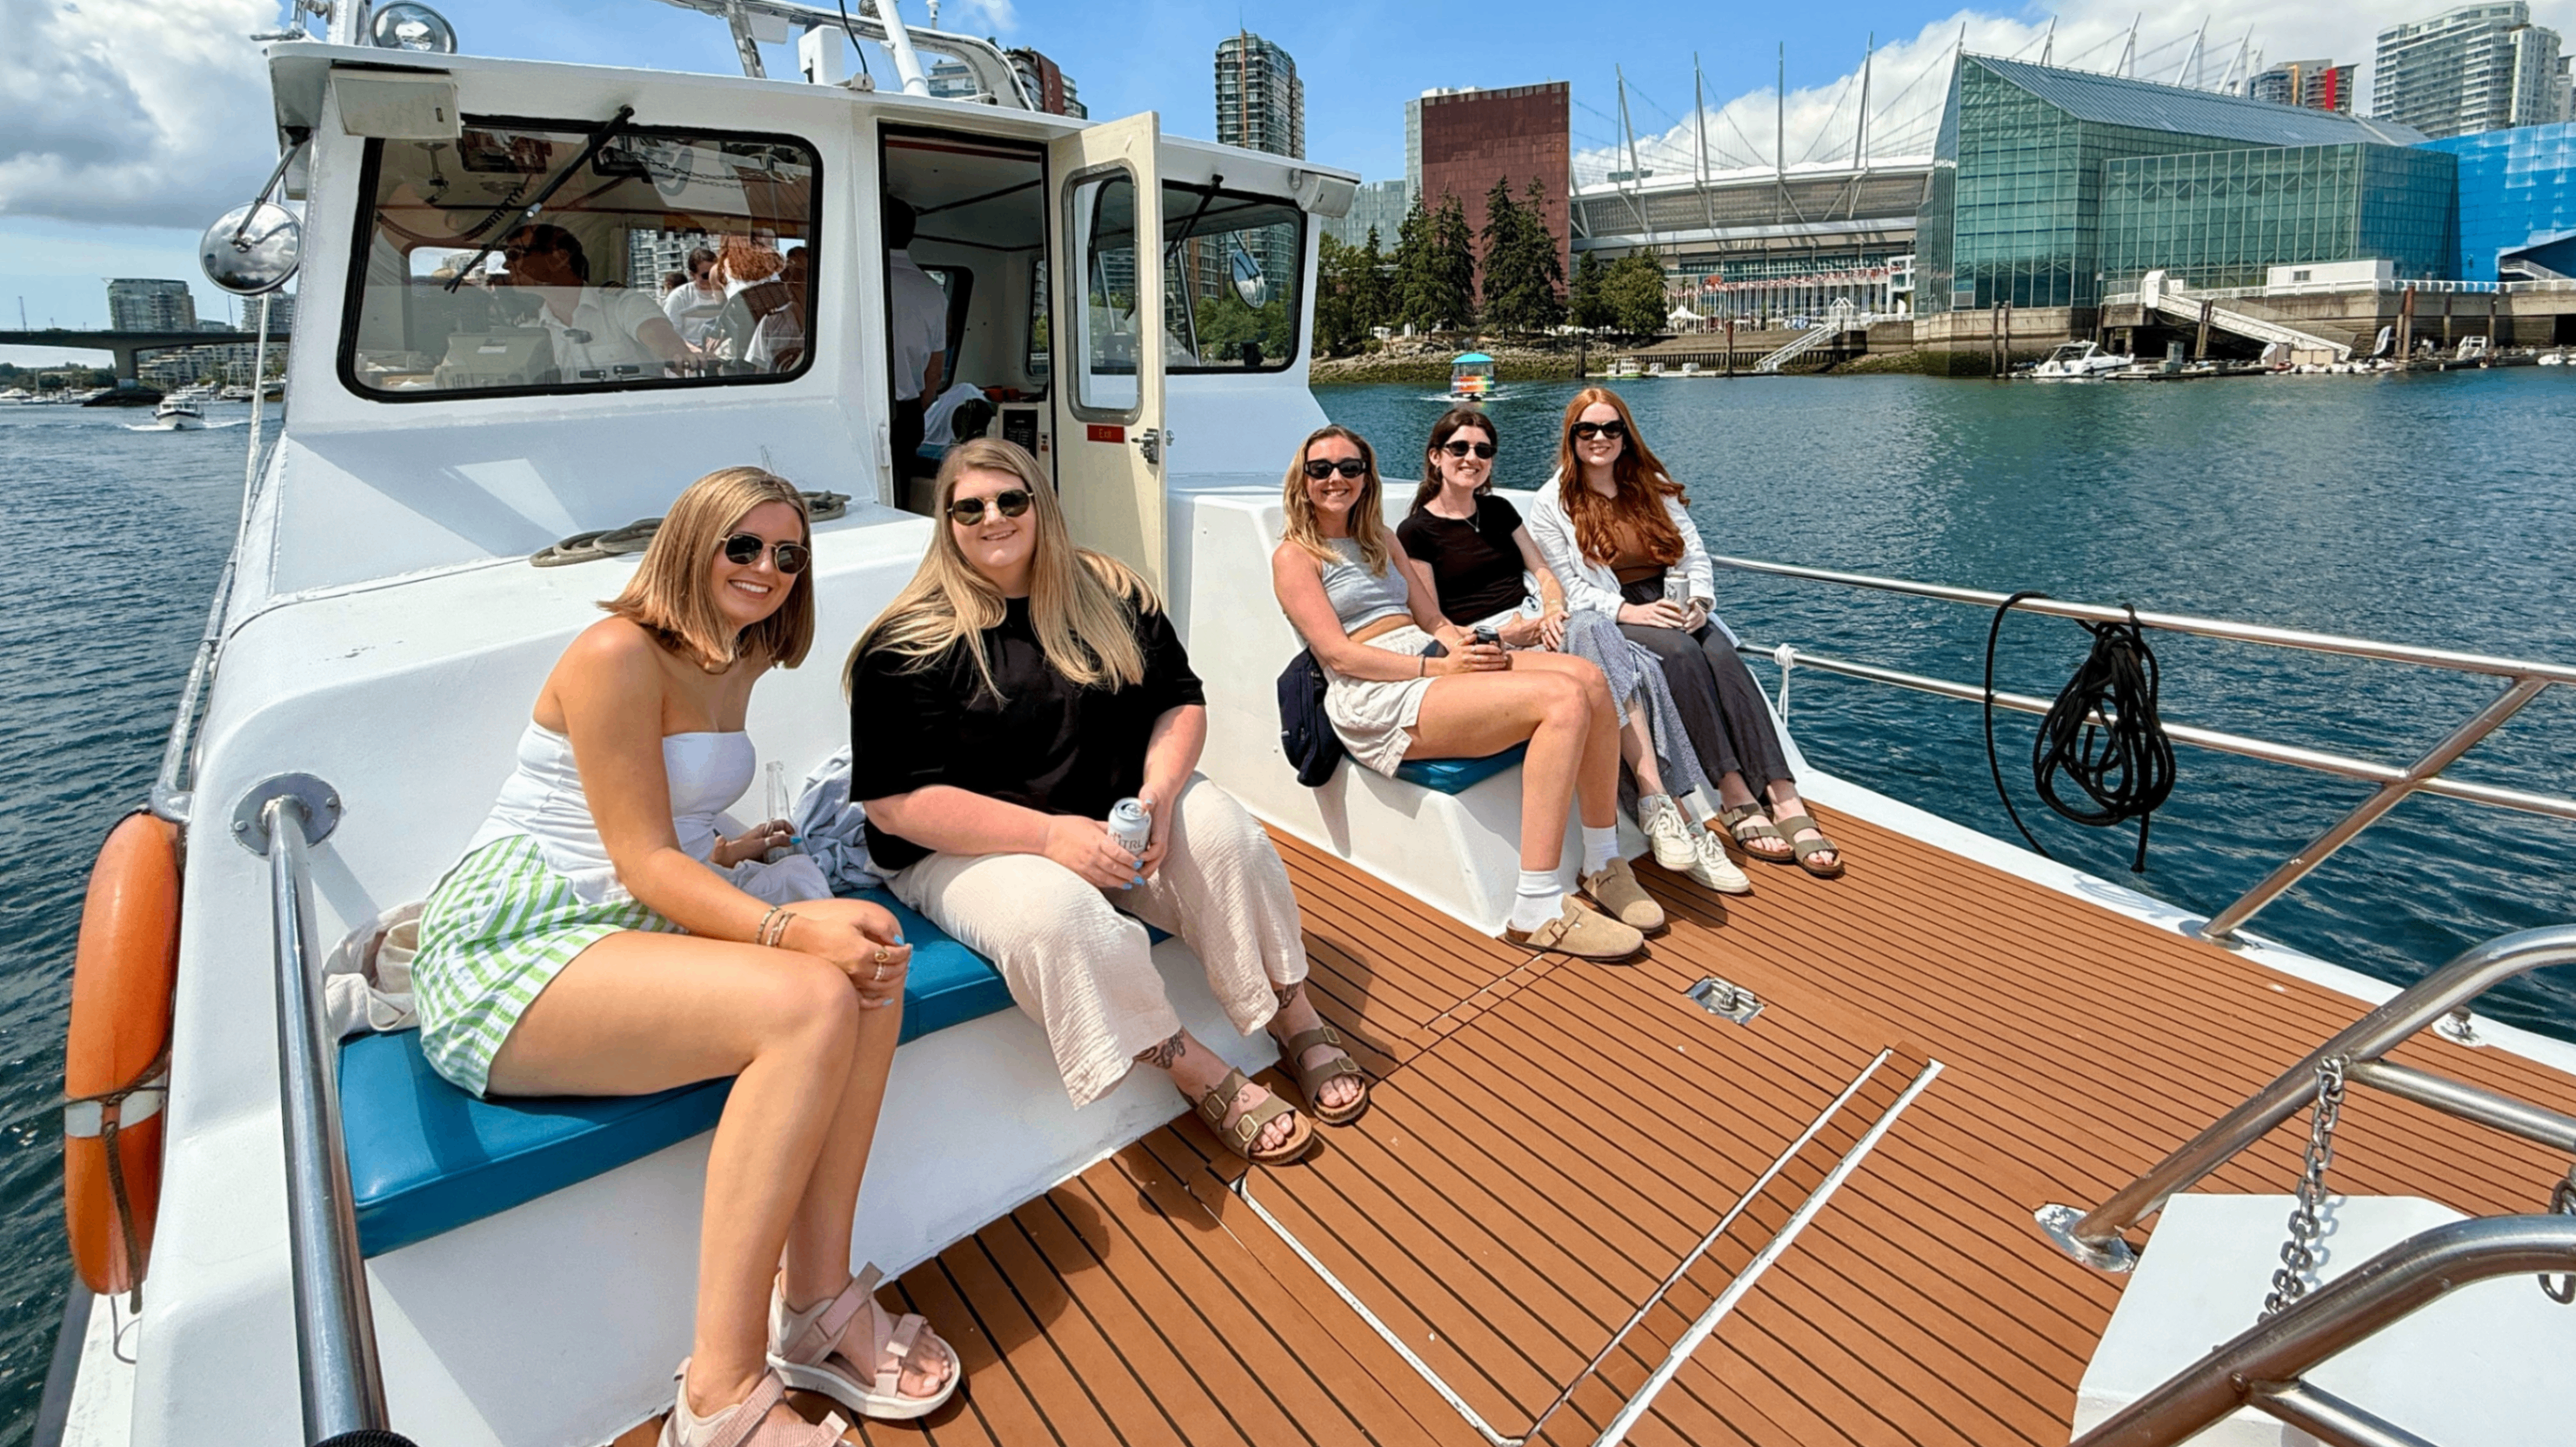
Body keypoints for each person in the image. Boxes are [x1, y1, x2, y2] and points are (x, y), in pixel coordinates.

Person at [406, 467, 959, 1446]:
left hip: (631, 921)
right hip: (521, 937)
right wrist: (790, 928)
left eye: (787, 553)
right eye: (741, 545)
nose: (766, 568)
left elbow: (674, 823)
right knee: (809, 1000)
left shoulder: (737, 654)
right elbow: (636, 855)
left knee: (874, 971)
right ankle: (716, 1392)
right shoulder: (617, 651)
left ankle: (816, 1298)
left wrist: (738, 850)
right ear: (689, 545)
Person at [847, 438, 1364, 1165]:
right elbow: (897, 805)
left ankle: (1290, 1010)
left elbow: (1180, 703)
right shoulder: (908, 645)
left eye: (1010, 500)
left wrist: (1155, 796)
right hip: (964, 844)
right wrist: (1054, 840)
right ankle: (1193, 1068)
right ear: (948, 520)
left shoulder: (1113, 594)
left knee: (1227, 837)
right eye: (970, 508)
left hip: (1120, 807)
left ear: (1041, 505)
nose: (992, 517)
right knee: (1057, 915)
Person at [1271, 425, 1658, 958]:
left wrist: (1466, 649)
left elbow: (1431, 617)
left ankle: (1602, 862)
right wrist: (1440, 673)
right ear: (1304, 478)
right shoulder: (1295, 556)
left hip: (1430, 660)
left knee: (1587, 679)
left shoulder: (1381, 538)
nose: (1336, 479)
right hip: (1376, 692)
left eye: (1350, 468)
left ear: (1367, 476)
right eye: (1322, 469)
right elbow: (1338, 655)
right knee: (1561, 702)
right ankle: (1535, 905)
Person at [1398, 410, 1746, 896]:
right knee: (1625, 662)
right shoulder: (1416, 532)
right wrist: (1510, 636)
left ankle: (1667, 810)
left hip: (1544, 621)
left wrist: (1554, 609)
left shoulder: (1498, 511)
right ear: (1436, 457)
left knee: (1615, 649)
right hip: (1490, 642)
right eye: (1459, 449)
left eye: (1482, 450)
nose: (1471, 458)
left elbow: (1544, 573)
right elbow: (1436, 622)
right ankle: (1673, 808)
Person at [1525, 389, 1845, 878]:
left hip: (1673, 598)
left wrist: (1700, 601)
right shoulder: (1553, 503)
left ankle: (1783, 794)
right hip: (1621, 610)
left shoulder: (1648, 484)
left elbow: (1692, 551)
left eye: (1612, 429)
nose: (1600, 439)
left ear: (1626, 435)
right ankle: (1734, 790)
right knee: (1680, 656)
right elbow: (1571, 589)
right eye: (1586, 430)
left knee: (1723, 657)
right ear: (1571, 438)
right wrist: (1630, 613)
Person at [497, 223, 696, 382]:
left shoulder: (624, 305)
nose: (507, 265)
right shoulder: (530, 327)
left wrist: (681, 355)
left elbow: (666, 342)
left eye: (514, 254)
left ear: (559, 257)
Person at [884, 199, 949, 478]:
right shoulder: (934, 292)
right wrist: (913, 411)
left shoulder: (857, 283)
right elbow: (934, 372)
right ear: (910, 235)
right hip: (907, 413)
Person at [662, 245, 730, 347]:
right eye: (707, 275)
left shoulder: (729, 292)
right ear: (693, 275)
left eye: (716, 273)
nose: (713, 278)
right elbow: (670, 335)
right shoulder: (679, 297)